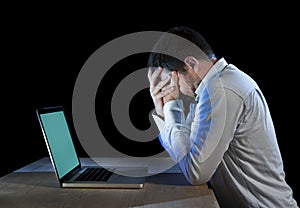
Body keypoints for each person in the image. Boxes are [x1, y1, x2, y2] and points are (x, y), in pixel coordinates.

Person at [147, 26, 298, 208]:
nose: (174, 89)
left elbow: (196, 172)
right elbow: (186, 151)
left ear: (192, 64)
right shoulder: (212, 87)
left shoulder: (221, 89)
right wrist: (163, 111)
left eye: (172, 80)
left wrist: (172, 106)